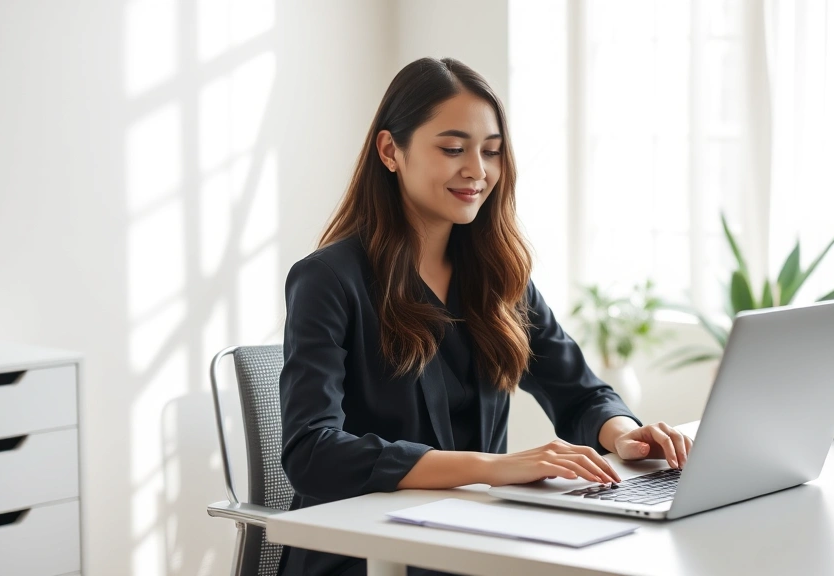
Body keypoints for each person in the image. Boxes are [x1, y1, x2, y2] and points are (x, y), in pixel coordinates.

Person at [277, 56, 693, 576]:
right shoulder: (328, 279)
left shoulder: (500, 277)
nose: (477, 170)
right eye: (453, 149)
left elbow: (579, 391)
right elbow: (311, 451)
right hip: (361, 555)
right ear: (390, 151)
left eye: (491, 152)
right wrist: (494, 469)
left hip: (475, 545)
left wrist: (622, 433)